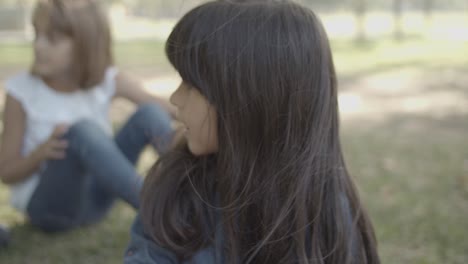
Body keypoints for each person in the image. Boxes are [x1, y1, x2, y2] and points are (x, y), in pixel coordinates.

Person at [125, 0, 380, 263]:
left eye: (191, 85)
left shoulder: (324, 217)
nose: (175, 98)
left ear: (250, 102)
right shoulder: (176, 188)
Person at [0, 0, 173, 233]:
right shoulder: (20, 92)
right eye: (37, 35)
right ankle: (166, 215)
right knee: (80, 132)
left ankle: (200, 195)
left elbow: (173, 109)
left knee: (149, 113)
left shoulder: (107, 81)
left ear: (85, 44)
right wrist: (39, 154)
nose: (39, 45)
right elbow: (6, 172)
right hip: (51, 210)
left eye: (52, 38)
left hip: (96, 203)